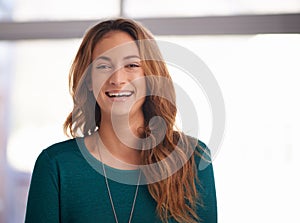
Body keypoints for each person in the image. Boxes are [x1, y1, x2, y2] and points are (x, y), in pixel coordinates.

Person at [25, 18, 217, 223]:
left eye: (132, 65)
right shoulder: (56, 166)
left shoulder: (192, 158)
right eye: (103, 66)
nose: (117, 79)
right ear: (88, 80)